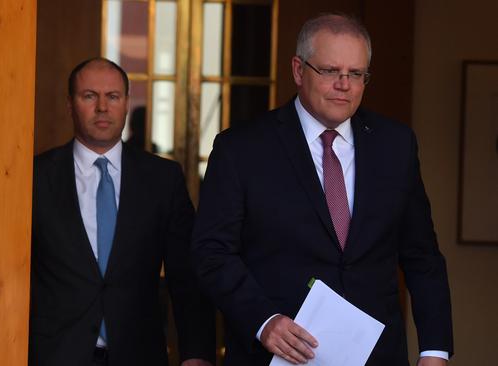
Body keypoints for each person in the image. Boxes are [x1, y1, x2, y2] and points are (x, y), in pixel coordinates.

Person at [191, 13, 453, 366]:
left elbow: (423, 256)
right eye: (330, 71)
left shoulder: (396, 145)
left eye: (356, 74)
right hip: (276, 354)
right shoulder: (241, 149)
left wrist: (434, 351)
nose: (344, 84)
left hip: (377, 357)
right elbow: (212, 252)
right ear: (299, 71)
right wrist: (264, 322)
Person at [29, 58, 216, 366]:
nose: (102, 107)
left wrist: (196, 353)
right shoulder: (35, 177)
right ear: (70, 104)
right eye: (89, 96)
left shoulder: (162, 179)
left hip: (139, 355)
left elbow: (187, 276)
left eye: (113, 96)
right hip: (54, 356)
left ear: (127, 103)